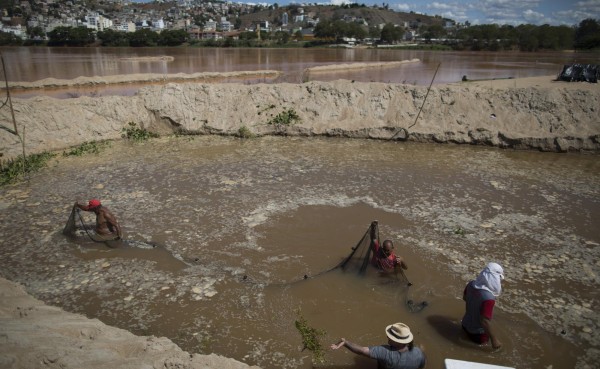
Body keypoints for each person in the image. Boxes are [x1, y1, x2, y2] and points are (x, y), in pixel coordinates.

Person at [330, 322, 426, 369]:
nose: (387, 337)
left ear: (395, 340)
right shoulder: (419, 353)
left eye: (390, 336)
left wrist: (345, 342)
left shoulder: (385, 351)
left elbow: (361, 350)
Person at [461, 262, 504, 349]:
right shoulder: (489, 298)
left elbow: (465, 298)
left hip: (465, 324)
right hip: (478, 335)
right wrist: (494, 340)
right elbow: (485, 321)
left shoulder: (471, 284)